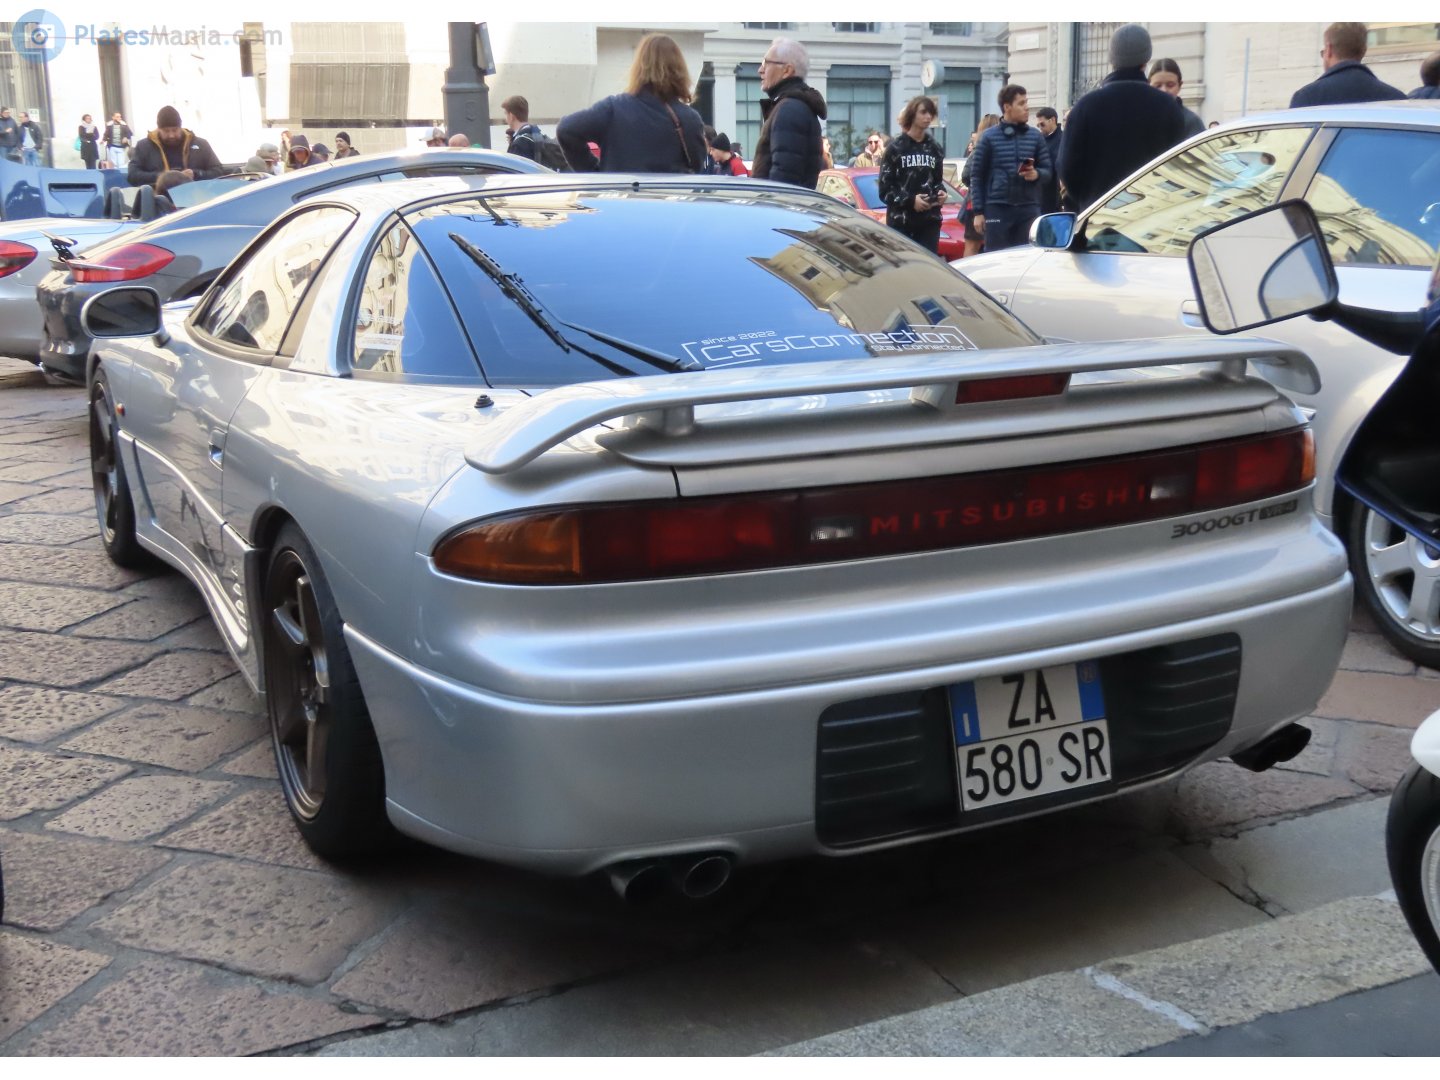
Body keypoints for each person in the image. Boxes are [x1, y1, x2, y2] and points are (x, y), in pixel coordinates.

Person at [1059, 25, 1187, 216]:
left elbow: (1067, 170)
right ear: (1146, 59)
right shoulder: (1168, 107)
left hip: (1098, 215)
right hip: (1151, 216)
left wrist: (1089, 199)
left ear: (1111, 58)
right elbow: (1179, 166)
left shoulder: (1086, 106)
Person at [556, 32, 705, 173]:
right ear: (679, 69)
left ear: (638, 68)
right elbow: (696, 166)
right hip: (669, 192)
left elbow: (566, 129)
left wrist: (594, 171)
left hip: (620, 190)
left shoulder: (613, 109)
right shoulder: (689, 119)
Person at [969, 85, 1051, 253]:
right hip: (997, 208)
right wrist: (978, 212)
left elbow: (1048, 171)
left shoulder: (1035, 136)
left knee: (1027, 257)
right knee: (996, 257)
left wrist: (1036, 174)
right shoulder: (988, 137)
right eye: (1021, 103)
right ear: (1007, 107)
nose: (1027, 107)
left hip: (1028, 208)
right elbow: (976, 176)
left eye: (1026, 102)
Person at [750, 38, 826, 188]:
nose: (760, 70)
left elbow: (783, 180)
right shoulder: (791, 106)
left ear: (787, 70)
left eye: (766, 63)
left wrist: (767, 200)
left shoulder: (790, 110)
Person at [877, 95, 948, 256]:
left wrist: (941, 193)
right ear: (912, 114)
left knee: (928, 265)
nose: (928, 117)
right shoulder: (895, 148)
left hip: (929, 221)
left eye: (931, 113)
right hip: (901, 222)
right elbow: (884, 190)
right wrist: (911, 201)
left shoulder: (935, 148)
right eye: (923, 112)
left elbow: (937, 181)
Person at [1290, 23, 1405, 108]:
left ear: (1329, 49)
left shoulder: (1307, 98)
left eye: (1323, 52)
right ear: (1364, 51)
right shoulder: (1397, 100)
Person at [128, 106, 222, 186]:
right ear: (158, 129)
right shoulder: (144, 147)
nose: (171, 135)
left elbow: (218, 171)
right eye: (166, 131)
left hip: (196, 197)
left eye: (175, 130)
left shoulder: (201, 144)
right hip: (159, 199)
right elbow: (133, 176)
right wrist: (164, 177)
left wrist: (196, 174)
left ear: (180, 127)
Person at [960, 113, 999, 257]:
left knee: (975, 245)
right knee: (975, 245)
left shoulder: (981, 149)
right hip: (979, 204)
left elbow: (966, 175)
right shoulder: (981, 150)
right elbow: (967, 175)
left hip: (981, 203)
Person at [1148, 59, 1205, 138]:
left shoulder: (1191, 122)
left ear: (1180, 85)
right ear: (1148, 85)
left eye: (1170, 85)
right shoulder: (1139, 118)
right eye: (1158, 86)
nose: (1164, 90)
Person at [1033, 106, 1064, 214]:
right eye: (1038, 125)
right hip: (1040, 195)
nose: (1040, 128)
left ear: (1052, 120)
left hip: (1056, 195)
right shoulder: (1039, 140)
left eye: (1042, 124)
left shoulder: (1063, 139)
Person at [502, 95, 543, 162]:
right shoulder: (534, 134)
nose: (505, 119)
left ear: (511, 116)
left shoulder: (519, 144)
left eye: (506, 114)